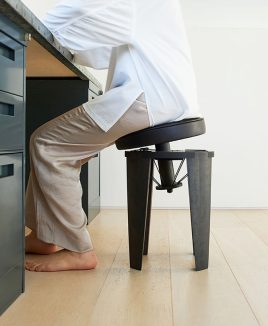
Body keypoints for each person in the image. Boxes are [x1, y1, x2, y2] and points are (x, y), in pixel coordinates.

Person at [25, 0, 201, 272]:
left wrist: (32, 26)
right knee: (49, 142)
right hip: (161, 97)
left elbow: (81, 13)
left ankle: (77, 249)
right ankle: (47, 236)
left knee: (48, 144)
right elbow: (99, 51)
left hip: (149, 98)